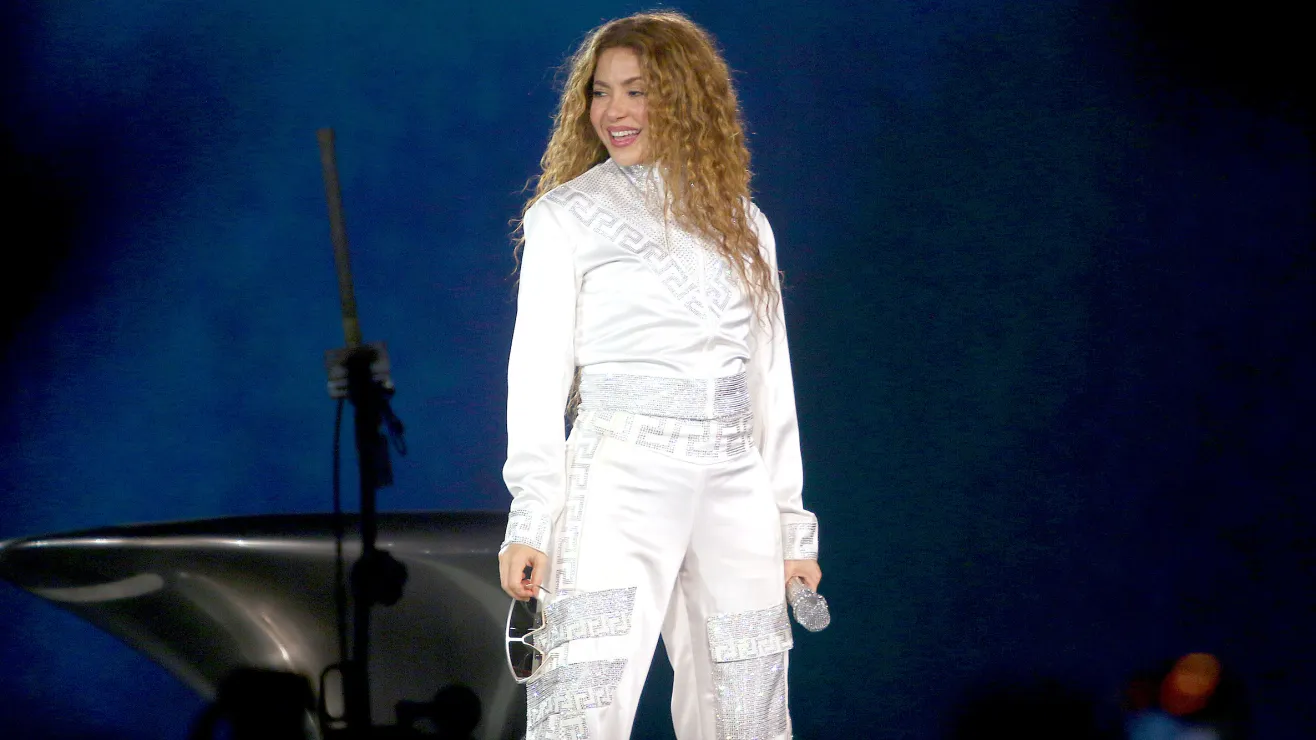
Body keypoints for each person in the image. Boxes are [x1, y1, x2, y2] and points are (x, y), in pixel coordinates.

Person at [496, 11, 821, 739]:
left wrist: (792, 528)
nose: (614, 110)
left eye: (636, 91)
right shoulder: (565, 217)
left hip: (735, 481)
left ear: (684, 99)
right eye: (601, 91)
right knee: (586, 698)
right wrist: (532, 517)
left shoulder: (744, 222)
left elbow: (770, 383)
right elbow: (536, 374)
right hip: (621, 474)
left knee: (747, 705)